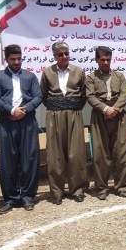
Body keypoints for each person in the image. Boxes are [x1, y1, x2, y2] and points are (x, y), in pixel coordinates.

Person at [0, 44, 43, 214]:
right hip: (7, 122)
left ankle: (28, 197)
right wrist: (12, 110)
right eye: (12, 59)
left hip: (27, 122)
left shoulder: (30, 76)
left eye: (19, 58)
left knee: (29, 159)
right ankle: (11, 198)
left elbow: (38, 96)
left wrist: (24, 110)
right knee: (8, 161)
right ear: (5, 59)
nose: (16, 62)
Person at [40, 41, 87, 205]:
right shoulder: (47, 72)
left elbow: (84, 95)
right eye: (60, 54)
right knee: (55, 154)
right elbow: (44, 94)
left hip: (74, 114)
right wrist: (57, 107)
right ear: (54, 56)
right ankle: (57, 191)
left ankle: (78, 189)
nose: (64, 56)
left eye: (66, 53)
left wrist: (71, 107)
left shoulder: (79, 71)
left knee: (76, 152)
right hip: (54, 115)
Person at [86, 46, 126, 199]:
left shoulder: (119, 76)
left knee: (122, 152)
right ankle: (101, 188)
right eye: (102, 60)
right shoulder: (91, 77)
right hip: (100, 117)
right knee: (100, 153)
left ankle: (123, 186)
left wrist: (115, 109)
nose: (105, 62)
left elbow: (124, 94)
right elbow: (90, 96)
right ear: (96, 60)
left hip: (119, 117)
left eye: (108, 59)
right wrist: (105, 109)